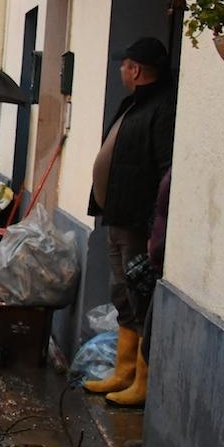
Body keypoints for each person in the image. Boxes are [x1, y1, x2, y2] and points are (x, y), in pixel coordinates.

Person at [83, 38, 177, 406]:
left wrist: (156, 226)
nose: (121, 69)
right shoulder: (134, 104)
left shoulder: (162, 107)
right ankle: (122, 372)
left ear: (135, 69)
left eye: (124, 64)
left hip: (139, 223)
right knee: (122, 293)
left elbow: (166, 170)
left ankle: (141, 381)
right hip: (117, 215)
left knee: (140, 297)